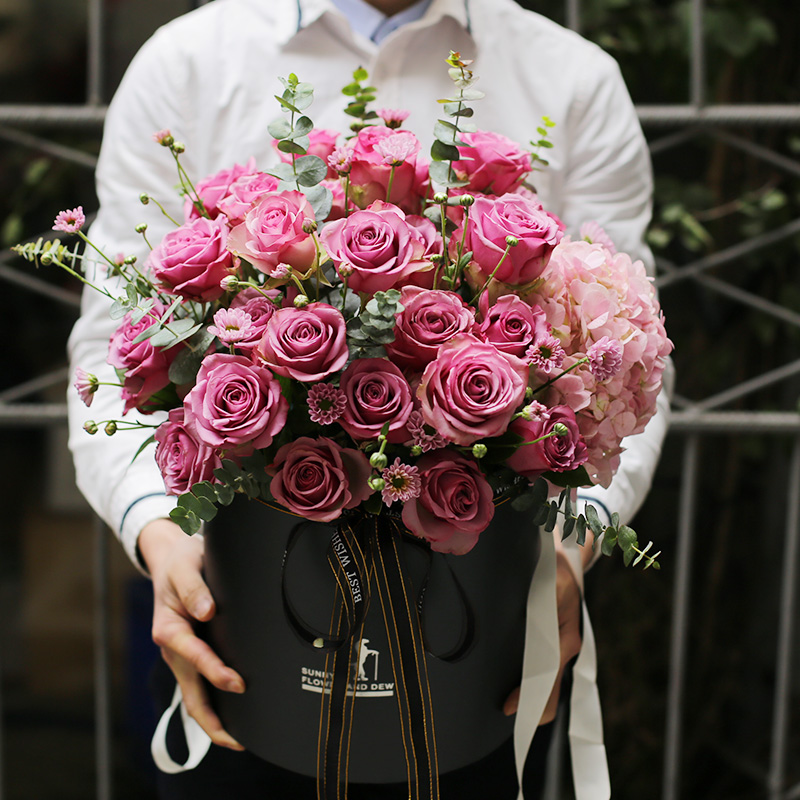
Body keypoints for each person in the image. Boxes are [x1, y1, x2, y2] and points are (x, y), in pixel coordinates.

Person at [67, 0, 673, 797]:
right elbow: (112, 345)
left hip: (476, 652)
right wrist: (158, 531)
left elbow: (626, 363)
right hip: (242, 631)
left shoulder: (574, 79)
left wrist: (568, 550)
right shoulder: (187, 61)